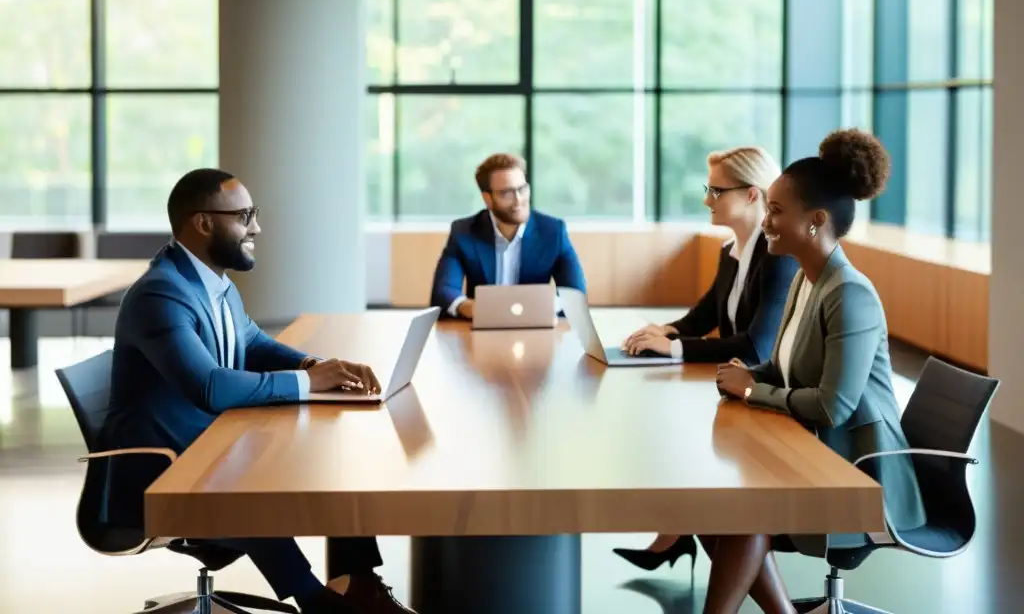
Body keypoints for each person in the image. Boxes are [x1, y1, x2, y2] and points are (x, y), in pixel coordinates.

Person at [100, 168, 416, 614]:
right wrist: (307, 384)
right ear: (204, 223)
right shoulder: (161, 294)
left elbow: (249, 342)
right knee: (252, 476)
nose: (256, 228)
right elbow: (209, 386)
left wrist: (313, 365)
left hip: (207, 445)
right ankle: (318, 602)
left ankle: (359, 583)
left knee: (332, 458)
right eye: (245, 215)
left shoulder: (213, 282)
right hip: (161, 471)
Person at [708, 129, 926, 614]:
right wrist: (750, 373)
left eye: (777, 210)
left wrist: (752, 392)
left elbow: (832, 405)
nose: (766, 221)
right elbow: (787, 366)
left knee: (744, 516)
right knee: (708, 510)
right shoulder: (807, 280)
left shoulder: (849, 292)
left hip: (859, 477)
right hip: (820, 456)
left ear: (817, 221)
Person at [612, 146, 799, 573]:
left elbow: (754, 348)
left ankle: (677, 534)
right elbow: (705, 316)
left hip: (769, 399)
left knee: (690, 451)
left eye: (716, 191)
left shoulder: (778, 260)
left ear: (753, 195)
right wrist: (665, 332)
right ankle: (676, 533)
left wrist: (674, 348)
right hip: (738, 389)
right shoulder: (732, 252)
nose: (706, 200)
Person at [430, 153, 586, 319]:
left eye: (522, 189)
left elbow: (575, 294)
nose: (518, 200)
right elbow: (443, 291)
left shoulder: (553, 231)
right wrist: (468, 307)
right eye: (506, 193)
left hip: (536, 330)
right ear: (487, 199)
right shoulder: (464, 232)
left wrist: (545, 307)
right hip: (481, 331)